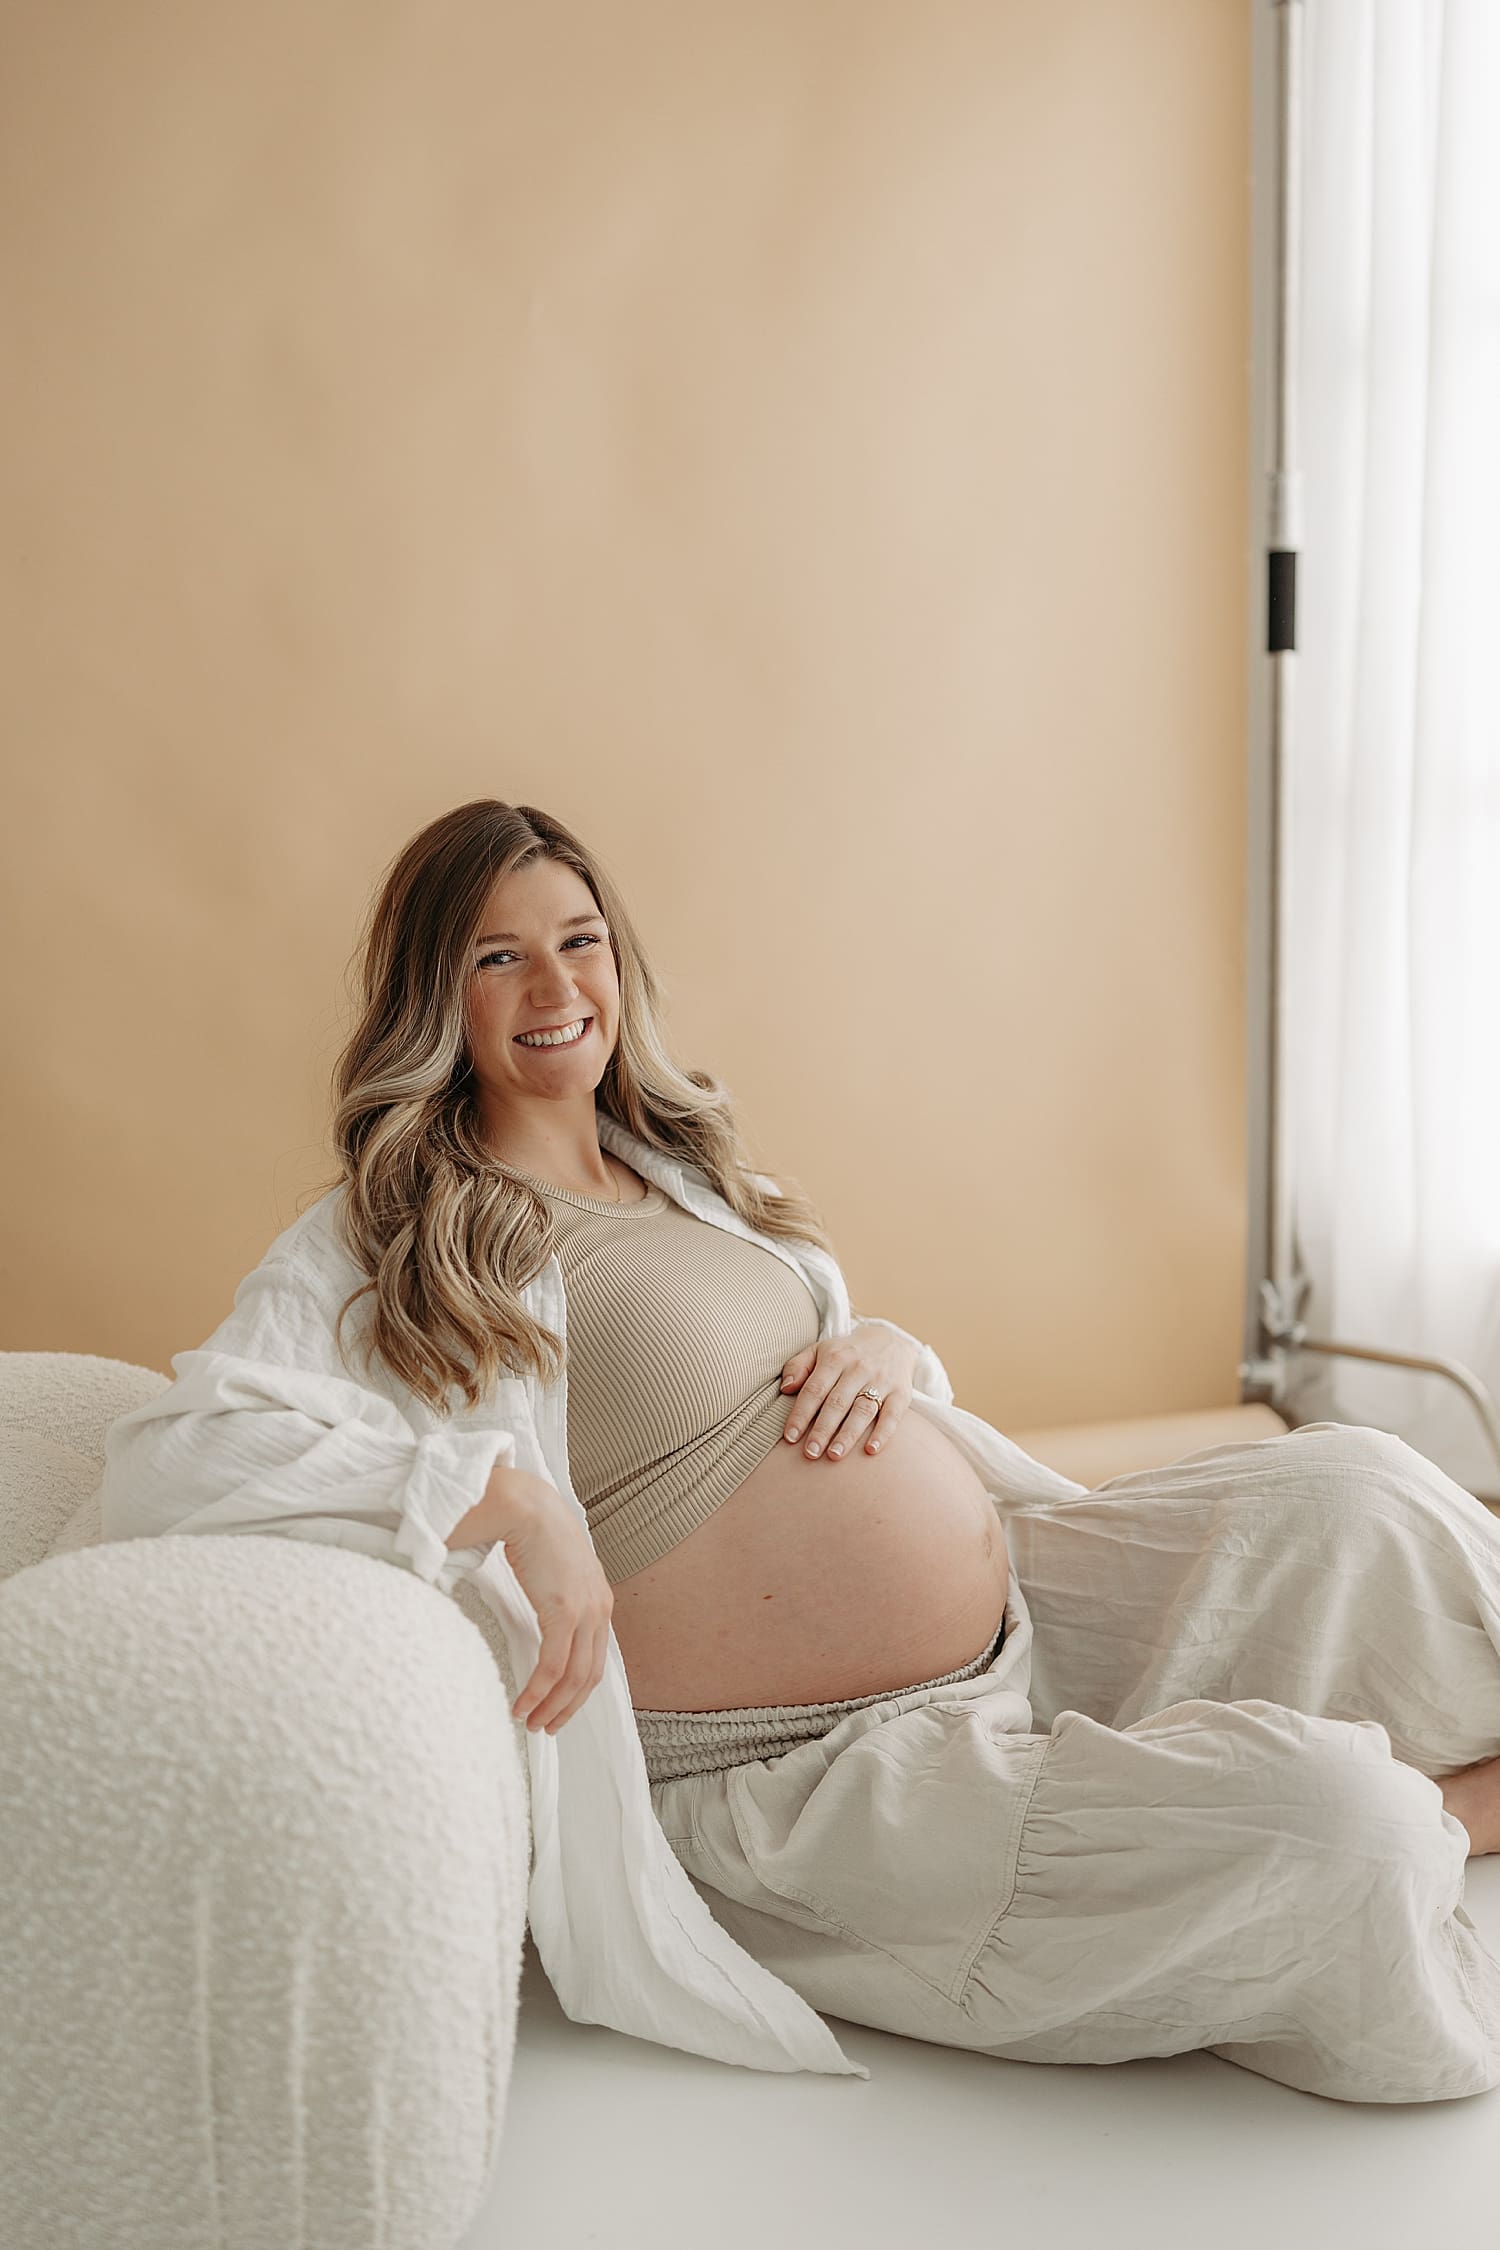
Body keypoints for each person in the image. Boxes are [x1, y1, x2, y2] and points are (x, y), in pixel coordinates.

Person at [101, 798, 1500, 2101]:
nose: (555, 987)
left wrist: (887, 1345)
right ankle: (1437, 1809)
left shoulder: (685, 1169)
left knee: (1358, 1487)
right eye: (499, 956)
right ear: (434, 995)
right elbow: (176, 1457)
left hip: (1026, 1605)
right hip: (804, 1773)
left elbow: (800, 1372)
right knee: (1338, 1828)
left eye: (579, 940)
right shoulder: (387, 1233)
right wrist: (496, 1495)